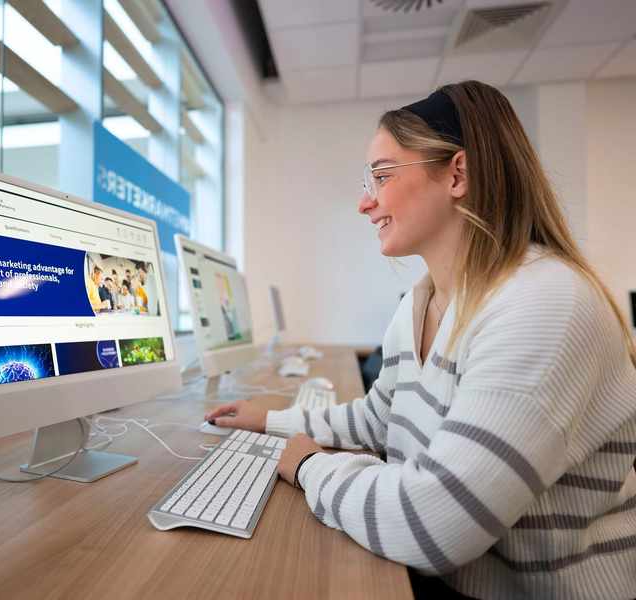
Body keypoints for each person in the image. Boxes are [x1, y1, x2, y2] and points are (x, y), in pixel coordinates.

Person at [205, 81, 636, 600]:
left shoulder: (543, 305)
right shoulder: (423, 301)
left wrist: (308, 465)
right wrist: (269, 422)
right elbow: (377, 419)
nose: (366, 203)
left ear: (457, 174)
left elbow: (436, 525)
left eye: (382, 176)